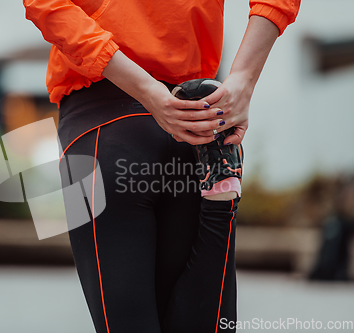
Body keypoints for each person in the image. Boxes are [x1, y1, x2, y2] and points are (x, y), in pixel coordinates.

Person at [23, 1, 300, 332]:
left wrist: (145, 89)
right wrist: (243, 77)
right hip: (195, 120)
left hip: (102, 130)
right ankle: (220, 200)